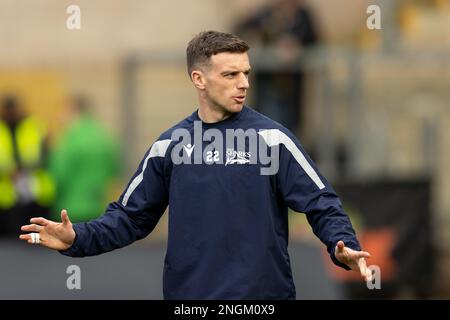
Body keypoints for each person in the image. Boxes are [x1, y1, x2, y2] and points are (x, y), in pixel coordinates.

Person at [19, 31, 371, 300]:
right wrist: (77, 237)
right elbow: (129, 218)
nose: (244, 83)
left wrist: (342, 243)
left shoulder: (273, 139)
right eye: (231, 74)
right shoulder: (170, 145)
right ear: (199, 79)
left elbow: (321, 202)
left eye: (246, 73)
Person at [234, 0, 319, 135]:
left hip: (292, 89)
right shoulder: (264, 15)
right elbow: (240, 31)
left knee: (290, 131)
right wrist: (264, 47)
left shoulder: (303, 16)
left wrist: (298, 48)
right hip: (269, 88)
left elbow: (315, 42)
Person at [49, 95, 121, 223]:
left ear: (74, 111)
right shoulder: (105, 136)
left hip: (71, 207)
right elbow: (115, 170)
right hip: (98, 207)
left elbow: (59, 174)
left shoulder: (69, 138)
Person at [0, 95, 54, 236]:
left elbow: (46, 153)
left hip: (35, 188)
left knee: (35, 233)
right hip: (6, 192)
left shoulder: (34, 125)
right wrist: (8, 171)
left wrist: (27, 168)